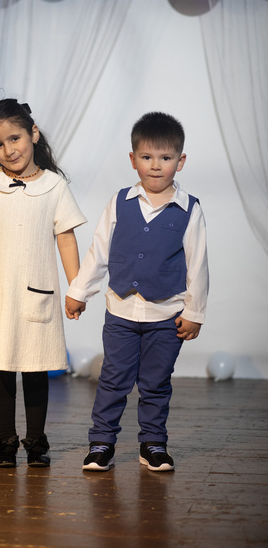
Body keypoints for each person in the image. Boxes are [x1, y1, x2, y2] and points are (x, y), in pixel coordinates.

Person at [65, 112, 208, 472]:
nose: (156, 166)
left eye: (165, 157)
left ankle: (153, 443)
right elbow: (99, 251)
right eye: (147, 157)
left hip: (167, 315)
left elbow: (198, 264)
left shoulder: (189, 209)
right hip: (121, 311)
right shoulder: (119, 202)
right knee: (113, 380)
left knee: (156, 383)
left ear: (180, 161)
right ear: (133, 160)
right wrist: (80, 290)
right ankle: (102, 443)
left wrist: (193, 313)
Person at [0, 99, 86, 468]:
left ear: (33, 134)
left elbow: (66, 238)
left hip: (37, 293)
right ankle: (6, 441)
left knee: (36, 366)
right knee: (0, 366)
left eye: (15, 138)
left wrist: (76, 288)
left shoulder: (54, 186)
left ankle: (37, 442)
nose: (9, 149)